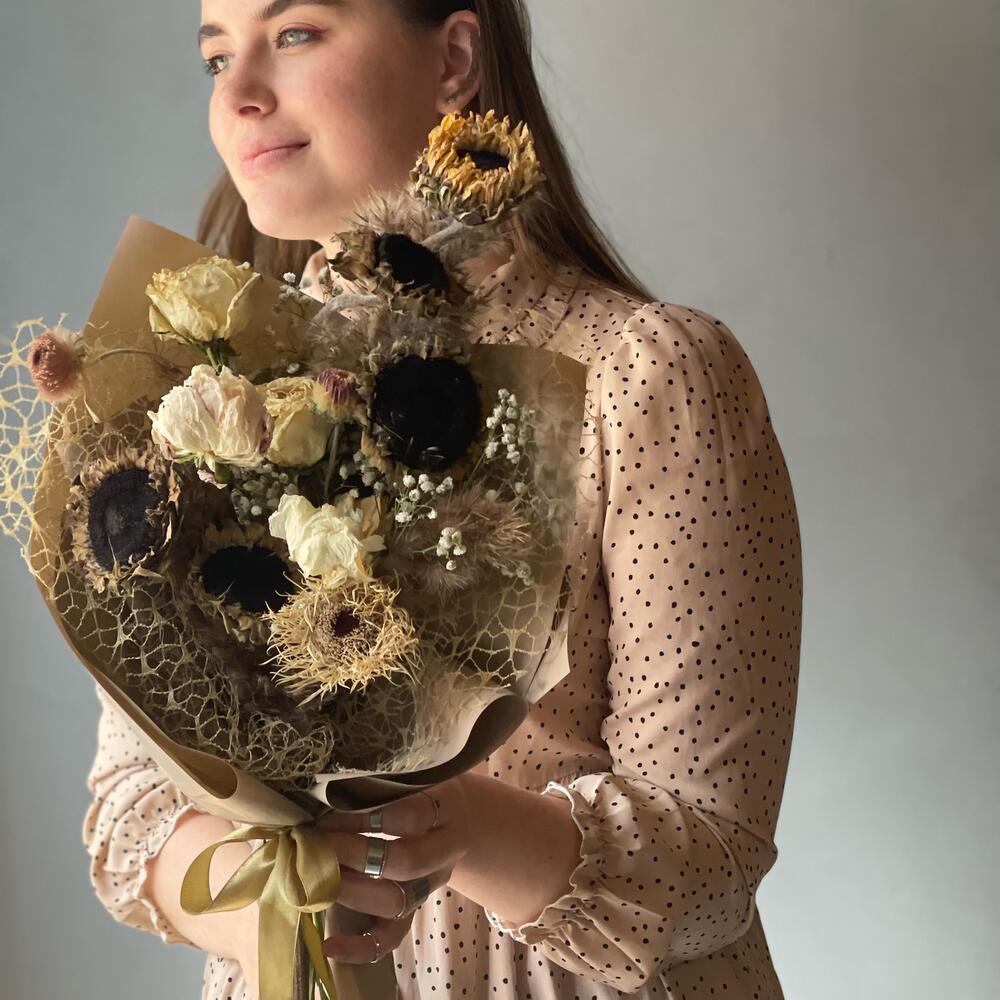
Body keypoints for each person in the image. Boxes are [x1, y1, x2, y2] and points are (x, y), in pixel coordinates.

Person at [81, 2, 803, 998]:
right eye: (215, 56)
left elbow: (711, 857)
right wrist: (285, 904)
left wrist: (446, 829)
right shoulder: (201, 397)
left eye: (294, 33)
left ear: (455, 57)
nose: (237, 93)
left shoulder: (644, 375)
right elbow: (129, 812)